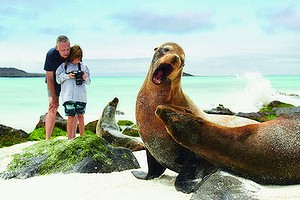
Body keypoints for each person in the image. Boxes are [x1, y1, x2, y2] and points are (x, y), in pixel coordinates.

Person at [56, 44, 91, 139]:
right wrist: (68, 76)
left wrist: (85, 77)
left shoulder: (84, 66)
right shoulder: (64, 67)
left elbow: (89, 82)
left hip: (81, 97)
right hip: (68, 96)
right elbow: (58, 80)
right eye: (75, 58)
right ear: (71, 57)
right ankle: (69, 138)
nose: (77, 61)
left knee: (81, 116)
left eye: (79, 58)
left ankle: (82, 137)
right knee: (70, 117)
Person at [44, 35, 70, 140]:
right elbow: (49, 78)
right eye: (63, 49)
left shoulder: (72, 52)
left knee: (71, 106)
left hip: (67, 81)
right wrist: (54, 97)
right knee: (52, 106)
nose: (66, 52)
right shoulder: (51, 55)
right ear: (57, 47)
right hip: (53, 82)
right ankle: (47, 139)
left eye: (68, 49)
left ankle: (71, 137)